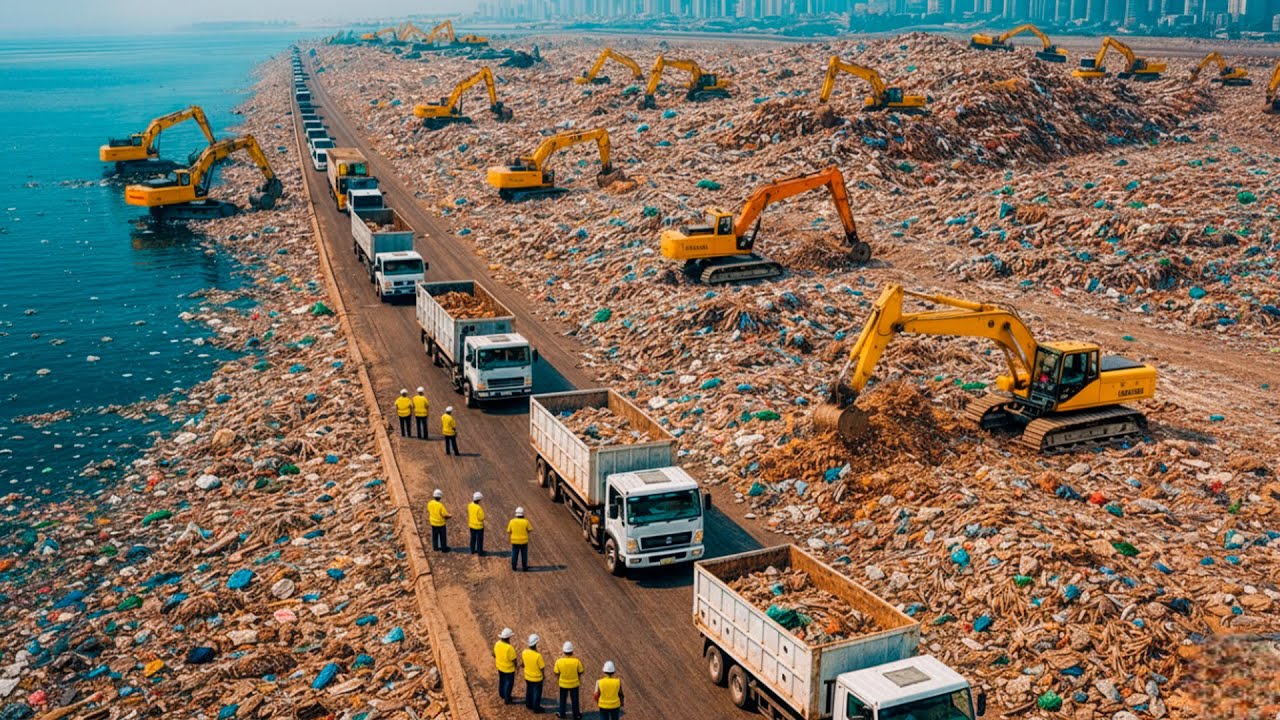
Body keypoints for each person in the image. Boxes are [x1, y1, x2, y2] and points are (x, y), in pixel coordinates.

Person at [554, 641, 585, 720]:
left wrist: (559, 679)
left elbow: (556, 672)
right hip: (574, 684)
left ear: (564, 651)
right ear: (572, 651)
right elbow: (580, 671)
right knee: (575, 700)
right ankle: (576, 715)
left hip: (563, 684)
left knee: (562, 700)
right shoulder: (577, 661)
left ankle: (562, 714)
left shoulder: (559, 662)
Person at [522, 633, 545, 713]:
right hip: (537, 678)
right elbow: (542, 668)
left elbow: (523, 663)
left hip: (527, 676)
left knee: (529, 690)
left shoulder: (524, 652)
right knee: (537, 693)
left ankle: (528, 704)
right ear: (536, 644)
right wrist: (543, 675)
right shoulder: (538, 656)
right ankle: (536, 708)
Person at [494, 627, 517, 705]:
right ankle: (507, 698)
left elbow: (493, 654)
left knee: (501, 680)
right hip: (509, 669)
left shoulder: (497, 644)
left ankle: (502, 694)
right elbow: (514, 660)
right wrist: (516, 666)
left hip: (499, 667)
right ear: (508, 637)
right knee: (508, 683)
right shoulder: (510, 648)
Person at [507, 506, 531, 571]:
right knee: (524, 555)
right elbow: (530, 530)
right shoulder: (526, 521)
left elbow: (508, 531)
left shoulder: (511, 521)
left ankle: (514, 567)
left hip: (514, 541)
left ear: (516, 514)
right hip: (524, 542)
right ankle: (524, 567)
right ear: (523, 514)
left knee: (514, 554)